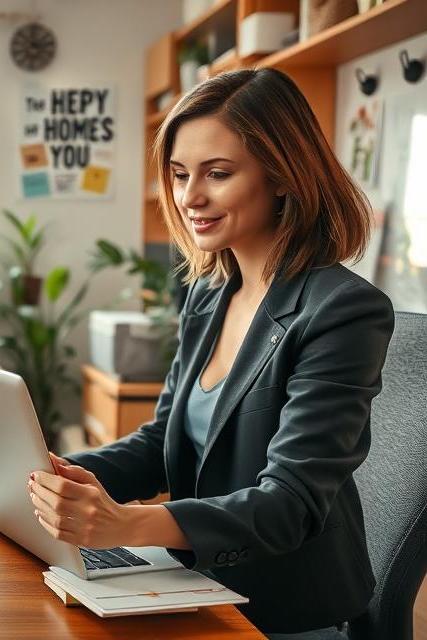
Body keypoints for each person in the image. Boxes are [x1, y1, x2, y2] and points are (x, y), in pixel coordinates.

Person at [27, 68, 394, 638]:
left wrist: (128, 523)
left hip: (282, 609)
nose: (189, 196)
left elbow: (288, 504)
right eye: (179, 175)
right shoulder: (208, 294)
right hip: (196, 584)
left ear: (282, 176)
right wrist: (53, 476)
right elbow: (161, 442)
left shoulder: (343, 312)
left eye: (217, 174)